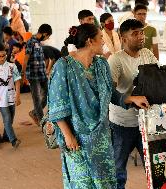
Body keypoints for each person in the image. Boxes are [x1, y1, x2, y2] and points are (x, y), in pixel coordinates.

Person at [48, 23, 149, 189]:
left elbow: (111, 93)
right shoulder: (63, 66)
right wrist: (68, 136)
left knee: (105, 182)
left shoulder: (101, 64)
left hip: (101, 138)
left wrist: (132, 99)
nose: (104, 42)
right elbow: (57, 106)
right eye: (101, 38)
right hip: (77, 138)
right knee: (83, 182)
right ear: (90, 41)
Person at [108, 19, 158, 189]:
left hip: (147, 122)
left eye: (141, 32)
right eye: (135, 33)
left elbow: (158, 80)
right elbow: (110, 93)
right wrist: (131, 99)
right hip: (123, 123)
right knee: (118, 170)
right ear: (123, 38)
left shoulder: (147, 54)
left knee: (153, 166)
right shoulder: (116, 60)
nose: (141, 36)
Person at [22, 24, 52, 125]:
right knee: (37, 98)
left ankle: (34, 113)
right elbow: (25, 59)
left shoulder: (39, 43)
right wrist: (23, 74)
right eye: (48, 36)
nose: (48, 38)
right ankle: (42, 121)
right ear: (44, 33)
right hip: (33, 75)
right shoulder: (31, 42)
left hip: (42, 74)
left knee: (48, 95)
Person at [0, 43, 21, 149]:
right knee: (7, 118)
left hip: (11, 95)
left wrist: (18, 96)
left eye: (3, 56)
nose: (1, 58)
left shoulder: (12, 66)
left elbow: (17, 81)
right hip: (0, 97)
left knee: (10, 118)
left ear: (6, 55)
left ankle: (6, 136)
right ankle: (13, 140)